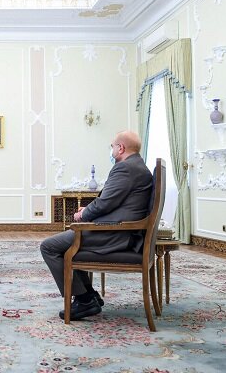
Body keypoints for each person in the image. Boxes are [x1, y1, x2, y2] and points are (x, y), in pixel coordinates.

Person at [40, 131, 153, 320]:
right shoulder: (138, 166)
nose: (111, 150)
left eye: (112, 146)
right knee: (65, 246)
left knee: (49, 247)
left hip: (113, 234)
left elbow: (104, 204)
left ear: (120, 148)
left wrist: (83, 214)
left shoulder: (125, 168)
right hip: (123, 231)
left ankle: (84, 300)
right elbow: (113, 202)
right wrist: (88, 210)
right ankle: (89, 295)